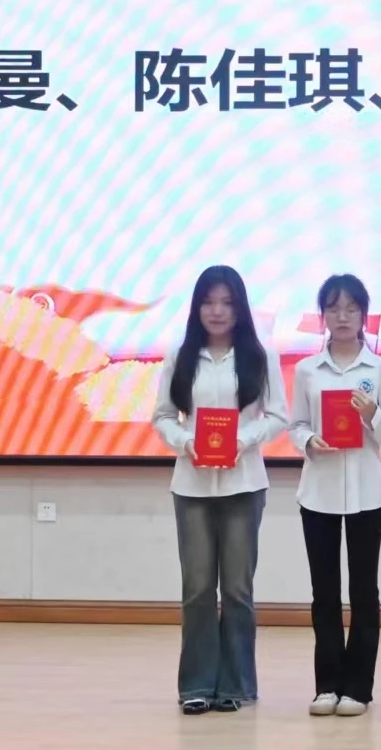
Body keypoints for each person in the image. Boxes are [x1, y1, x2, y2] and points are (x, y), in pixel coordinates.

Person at [150, 265, 289, 715]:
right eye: (209, 302)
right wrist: (185, 442)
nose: (217, 311)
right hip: (191, 486)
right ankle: (195, 685)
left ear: (240, 307)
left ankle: (236, 685)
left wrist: (242, 439)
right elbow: (163, 416)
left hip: (243, 484)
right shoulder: (180, 354)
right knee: (196, 588)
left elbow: (278, 415)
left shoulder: (259, 356)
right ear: (197, 307)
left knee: (236, 590)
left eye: (226, 302)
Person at [288, 274, 381, 718]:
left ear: (364, 315)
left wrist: (372, 415)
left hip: (367, 495)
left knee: (364, 592)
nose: (343, 316)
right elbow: (296, 424)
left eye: (352, 308)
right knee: (325, 593)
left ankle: (359, 688)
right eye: (333, 308)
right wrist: (308, 441)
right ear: (323, 316)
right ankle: (327, 685)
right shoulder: (307, 370)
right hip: (319, 492)